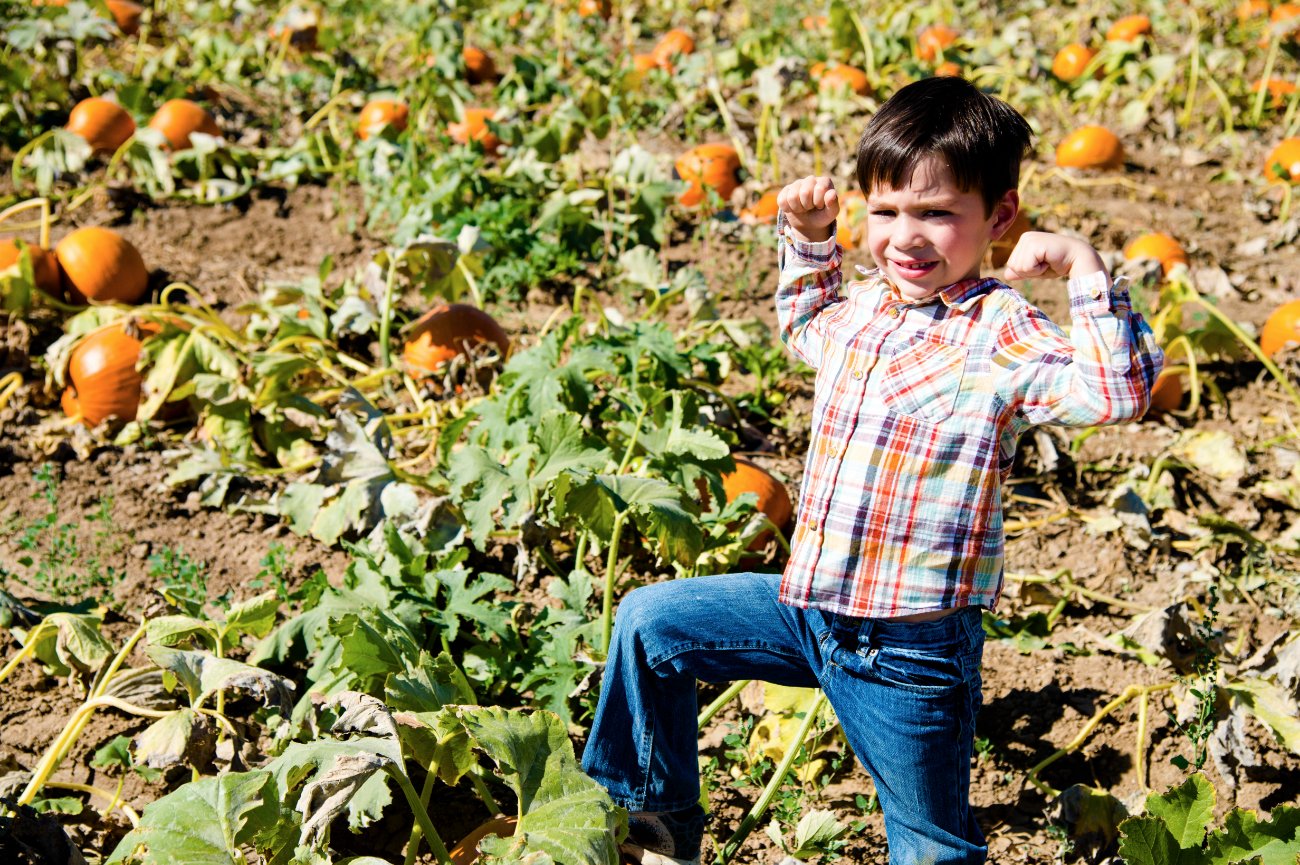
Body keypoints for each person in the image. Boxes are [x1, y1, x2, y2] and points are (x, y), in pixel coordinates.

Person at [580, 76, 1164, 865]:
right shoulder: (861, 307)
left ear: (998, 217)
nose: (906, 237)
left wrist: (1083, 267)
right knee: (652, 625)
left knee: (928, 844)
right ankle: (652, 827)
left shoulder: (1002, 331)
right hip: (807, 610)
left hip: (908, 653)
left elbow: (1116, 393)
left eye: (937, 214)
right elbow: (804, 322)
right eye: (885, 211)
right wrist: (811, 237)